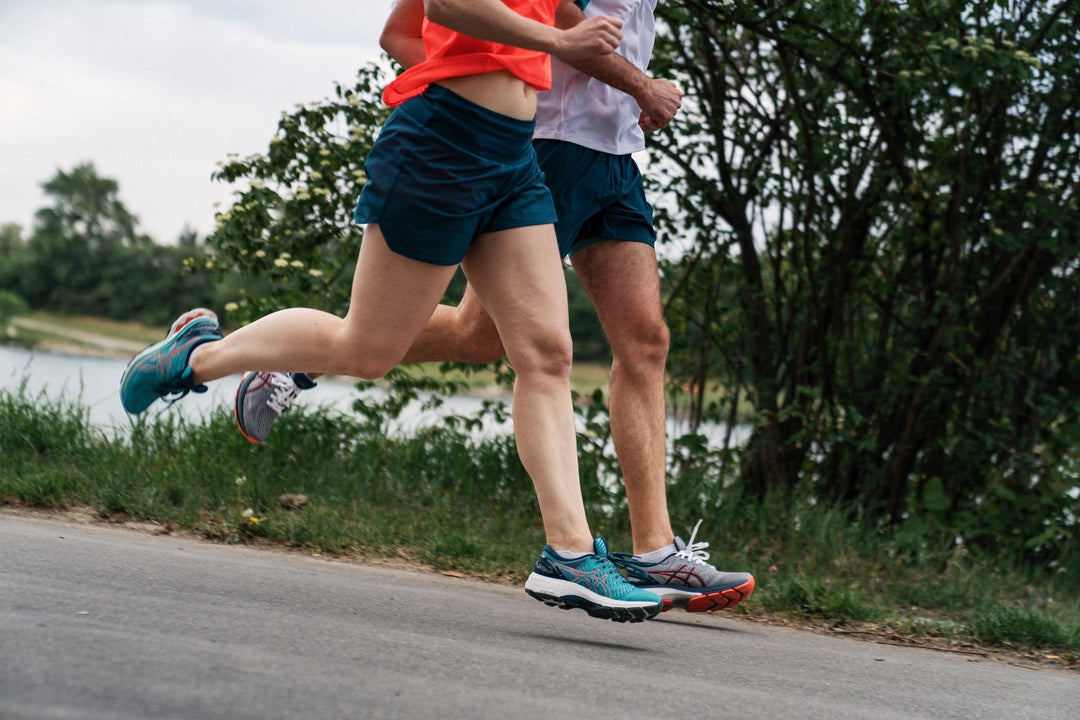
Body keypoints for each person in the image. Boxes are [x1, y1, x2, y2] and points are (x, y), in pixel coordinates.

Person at [120, 0, 666, 623]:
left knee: (546, 351)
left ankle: (568, 555)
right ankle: (198, 354)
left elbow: (551, 19)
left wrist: (632, 82)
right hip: (444, 144)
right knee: (367, 349)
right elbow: (447, 7)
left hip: (516, 153)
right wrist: (479, 74)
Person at [235, 0, 755, 613]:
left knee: (646, 341)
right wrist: (474, 100)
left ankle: (655, 550)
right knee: (480, 336)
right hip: (548, 147)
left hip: (615, 154)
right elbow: (517, 27)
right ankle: (305, 355)